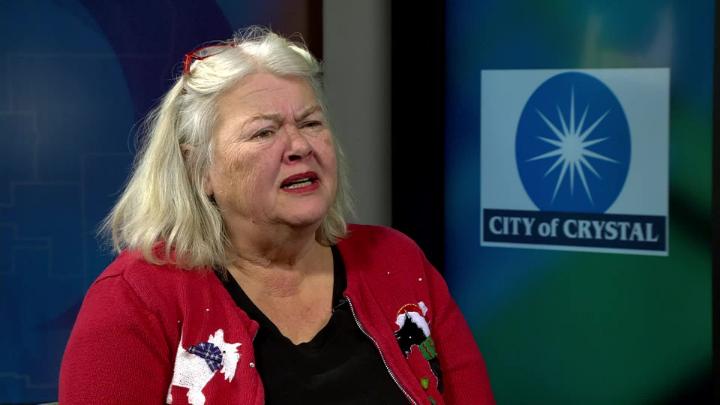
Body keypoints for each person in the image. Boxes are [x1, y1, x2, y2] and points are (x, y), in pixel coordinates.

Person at [59, 27, 494, 405]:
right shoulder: (136, 298)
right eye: (264, 132)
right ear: (199, 169)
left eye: (311, 123)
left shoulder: (396, 261)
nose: (299, 146)